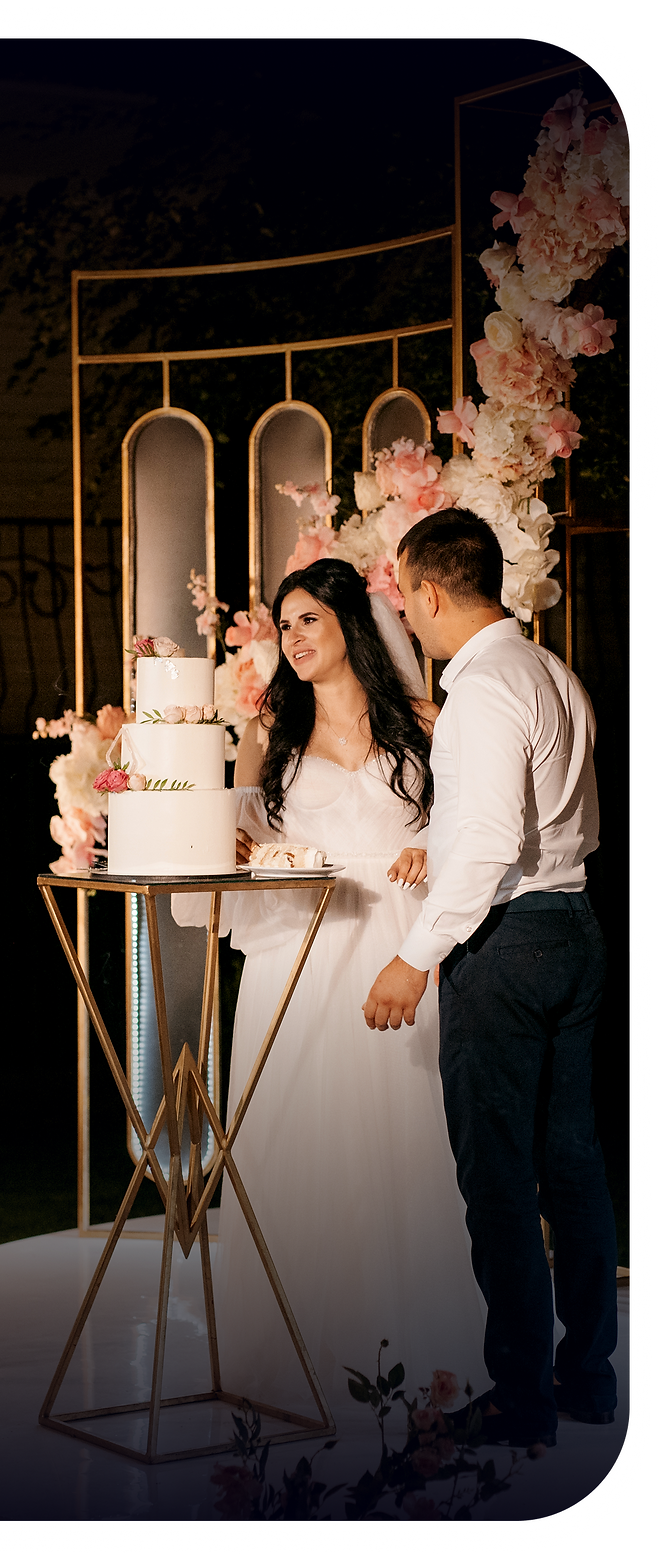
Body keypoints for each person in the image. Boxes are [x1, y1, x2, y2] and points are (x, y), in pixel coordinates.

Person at [174, 558, 489, 1421]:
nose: (296, 638)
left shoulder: (428, 722)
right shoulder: (267, 736)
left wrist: (441, 848)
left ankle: (423, 1353)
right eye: (286, 624)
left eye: (309, 619)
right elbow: (238, 846)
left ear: (353, 622)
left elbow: (484, 825)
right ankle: (299, 1351)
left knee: (407, 1140)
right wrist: (232, 848)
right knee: (303, 1138)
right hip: (302, 957)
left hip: (399, 944)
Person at [364, 510, 618, 1450]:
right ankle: (586, 1378)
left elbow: (486, 846)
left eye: (407, 600)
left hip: (506, 945)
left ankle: (521, 1400)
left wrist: (413, 957)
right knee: (576, 1166)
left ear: (430, 592)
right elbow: (546, 813)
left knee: (501, 1180)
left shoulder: (480, 691)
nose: (411, 620)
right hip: (575, 927)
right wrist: (433, 843)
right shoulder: (551, 670)